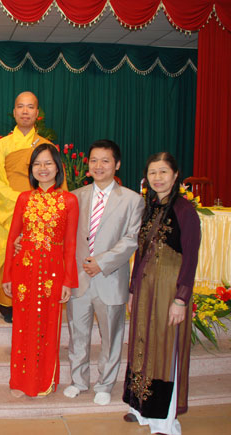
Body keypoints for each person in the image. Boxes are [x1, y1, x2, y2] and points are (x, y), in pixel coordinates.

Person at [122, 152, 200, 435]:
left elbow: (190, 257)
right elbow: (141, 252)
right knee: (142, 345)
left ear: (175, 175)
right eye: (152, 172)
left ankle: (164, 421)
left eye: (163, 172)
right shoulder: (150, 206)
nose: (157, 178)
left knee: (165, 351)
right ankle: (140, 408)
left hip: (169, 289)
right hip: (145, 289)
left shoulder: (185, 210)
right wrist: (133, 290)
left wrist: (181, 299)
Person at [63, 139, 144, 406]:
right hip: (79, 278)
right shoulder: (75, 196)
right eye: (94, 160)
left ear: (116, 164)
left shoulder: (132, 200)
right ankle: (78, 380)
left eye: (105, 160)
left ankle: (105, 384)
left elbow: (131, 239)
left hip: (110, 277)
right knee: (78, 334)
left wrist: (101, 262)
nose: (99, 166)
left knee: (111, 337)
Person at [2, 143, 78, 397]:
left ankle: (43, 381)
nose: (42, 168)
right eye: (37, 164)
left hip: (52, 273)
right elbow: (12, 238)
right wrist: (7, 275)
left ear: (58, 167)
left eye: (48, 163)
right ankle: (20, 381)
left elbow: (70, 244)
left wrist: (68, 281)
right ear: (31, 170)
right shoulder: (24, 198)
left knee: (47, 326)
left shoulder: (69, 200)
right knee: (22, 326)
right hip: (24, 270)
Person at [0, 91, 66, 323]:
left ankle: (38, 300)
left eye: (30, 107)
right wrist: (24, 203)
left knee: (40, 259)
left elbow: (59, 186)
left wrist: (37, 209)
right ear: (13, 112)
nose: (25, 111)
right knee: (10, 253)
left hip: (42, 217)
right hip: (9, 213)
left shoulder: (47, 147)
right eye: (20, 107)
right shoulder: (0, 146)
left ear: (37, 113)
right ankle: (8, 303)